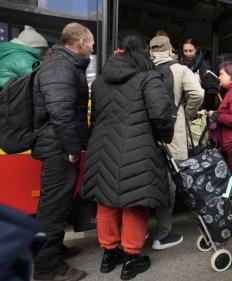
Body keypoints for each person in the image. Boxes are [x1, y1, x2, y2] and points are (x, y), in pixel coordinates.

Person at [81, 30, 174, 280]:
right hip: (138, 148)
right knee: (135, 204)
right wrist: (163, 138)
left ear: (119, 51)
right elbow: (162, 114)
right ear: (143, 52)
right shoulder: (148, 77)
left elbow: (98, 115)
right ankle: (131, 259)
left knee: (106, 202)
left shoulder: (100, 81)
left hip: (102, 148)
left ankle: (109, 254)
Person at [32, 22, 94, 281]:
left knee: (56, 205)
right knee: (53, 209)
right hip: (58, 147)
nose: (92, 48)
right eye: (91, 43)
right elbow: (61, 112)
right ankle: (48, 268)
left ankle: (54, 250)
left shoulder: (63, 64)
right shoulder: (61, 68)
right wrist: (72, 148)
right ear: (81, 42)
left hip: (55, 144)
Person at [149, 33, 204, 250]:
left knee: (148, 180)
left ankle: (138, 232)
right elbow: (198, 94)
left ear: (151, 52)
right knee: (170, 183)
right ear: (170, 51)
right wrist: (189, 112)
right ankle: (162, 233)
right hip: (173, 135)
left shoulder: (145, 70)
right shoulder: (181, 70)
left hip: (146, 135)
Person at [180, 37, 218, 110]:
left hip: (199, 104)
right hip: (183, 102)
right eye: (185, 51)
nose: (188, 54)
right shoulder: (180, 61)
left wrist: (202, 81)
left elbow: (211, 89)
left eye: (191, 51)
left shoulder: (203, 65)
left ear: (196, 49)